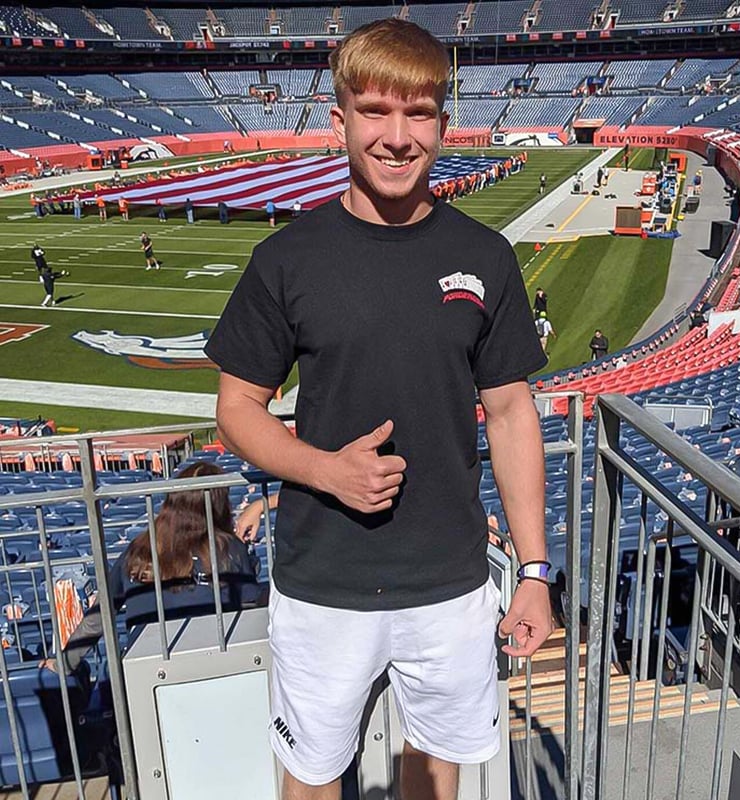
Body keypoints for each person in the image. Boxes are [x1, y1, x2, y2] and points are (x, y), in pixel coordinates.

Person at [205, 19, 552, 800]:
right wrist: (325, 471)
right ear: (339, 120)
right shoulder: (285, 259)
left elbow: (511, 414)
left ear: (443, 123)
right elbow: (236, 408)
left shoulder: (487, 257)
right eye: (375, 112)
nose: (398, 137)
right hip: (324, 582)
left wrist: (534, 570)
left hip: (451, 582)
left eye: (418, 113)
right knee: (311, 779)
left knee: (434, 777)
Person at [39, 462, 267, 675]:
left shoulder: (138, 549)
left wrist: (63, 663)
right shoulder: (229, 549)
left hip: (147, 668)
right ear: (219, 506)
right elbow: (250, 609)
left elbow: (100, 614)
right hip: (218, 663)